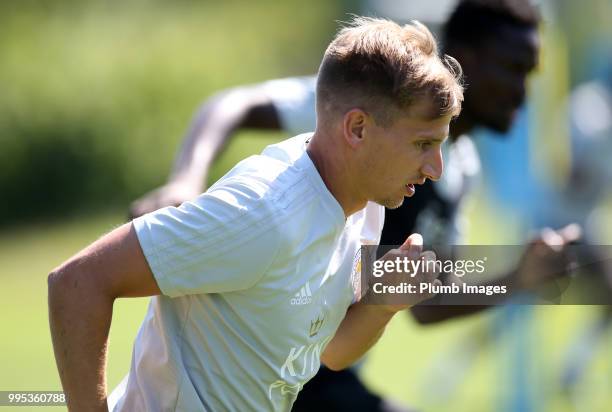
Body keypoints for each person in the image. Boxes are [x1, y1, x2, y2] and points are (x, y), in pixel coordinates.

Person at [128, 1, 568, 410]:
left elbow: (426, 300)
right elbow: (233, 104)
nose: (523, 92)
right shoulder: (372, 102)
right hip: (285, 369)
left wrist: (516, 279)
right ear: (468, 59)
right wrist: (186, 179)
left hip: (327, 361)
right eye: (514, 70)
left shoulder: (459, 169)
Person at [48, 17, 464, 411]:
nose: (436, 169)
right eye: (422, 145)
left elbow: (333, 351)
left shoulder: (364, 204)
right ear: (357, 129)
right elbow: (78, 282)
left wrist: (381, 305)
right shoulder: (262, 212)